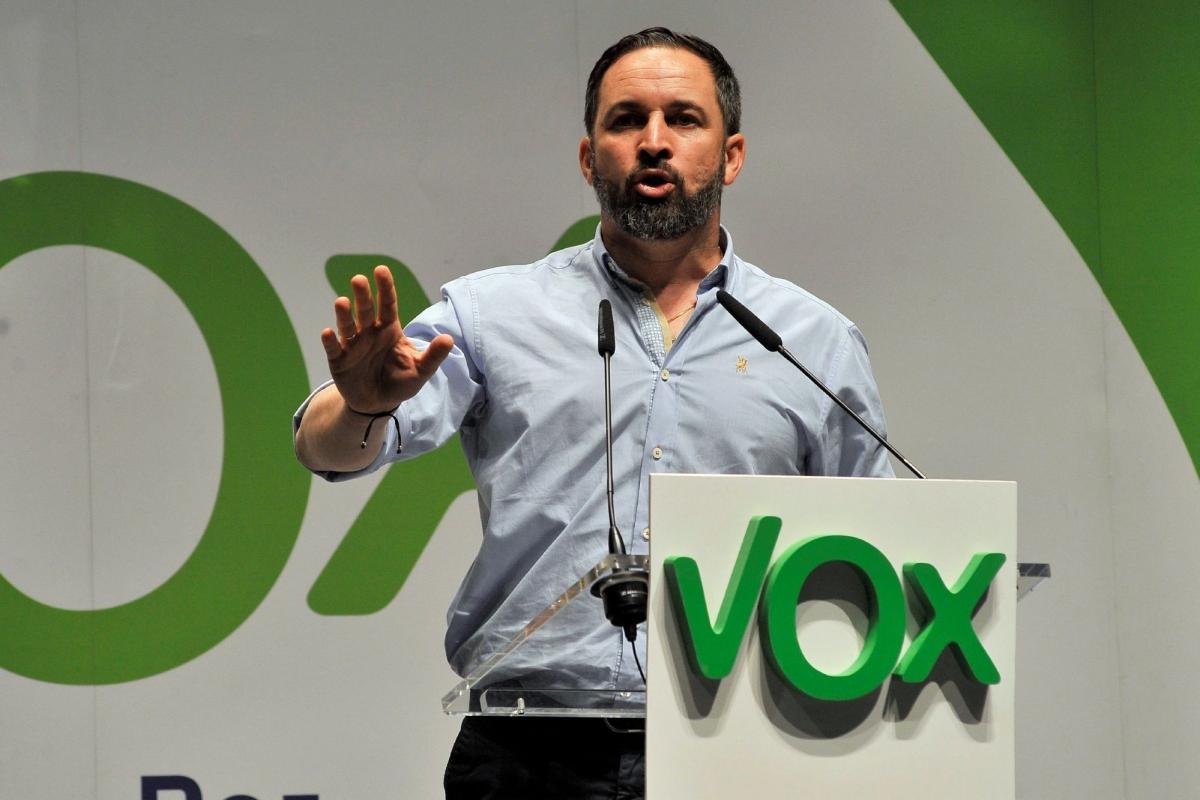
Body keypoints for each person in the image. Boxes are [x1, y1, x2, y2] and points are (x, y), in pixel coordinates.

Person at [294, 27, 893, 800]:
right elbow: (326, 449)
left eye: (683, 119)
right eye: (626, 120)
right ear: (588, 158)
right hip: (528, 754)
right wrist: (362, 405)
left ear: (732, 156)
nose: (654, 141)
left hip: (741, 747)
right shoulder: (492, 313)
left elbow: (876, 555)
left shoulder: (814, 339)